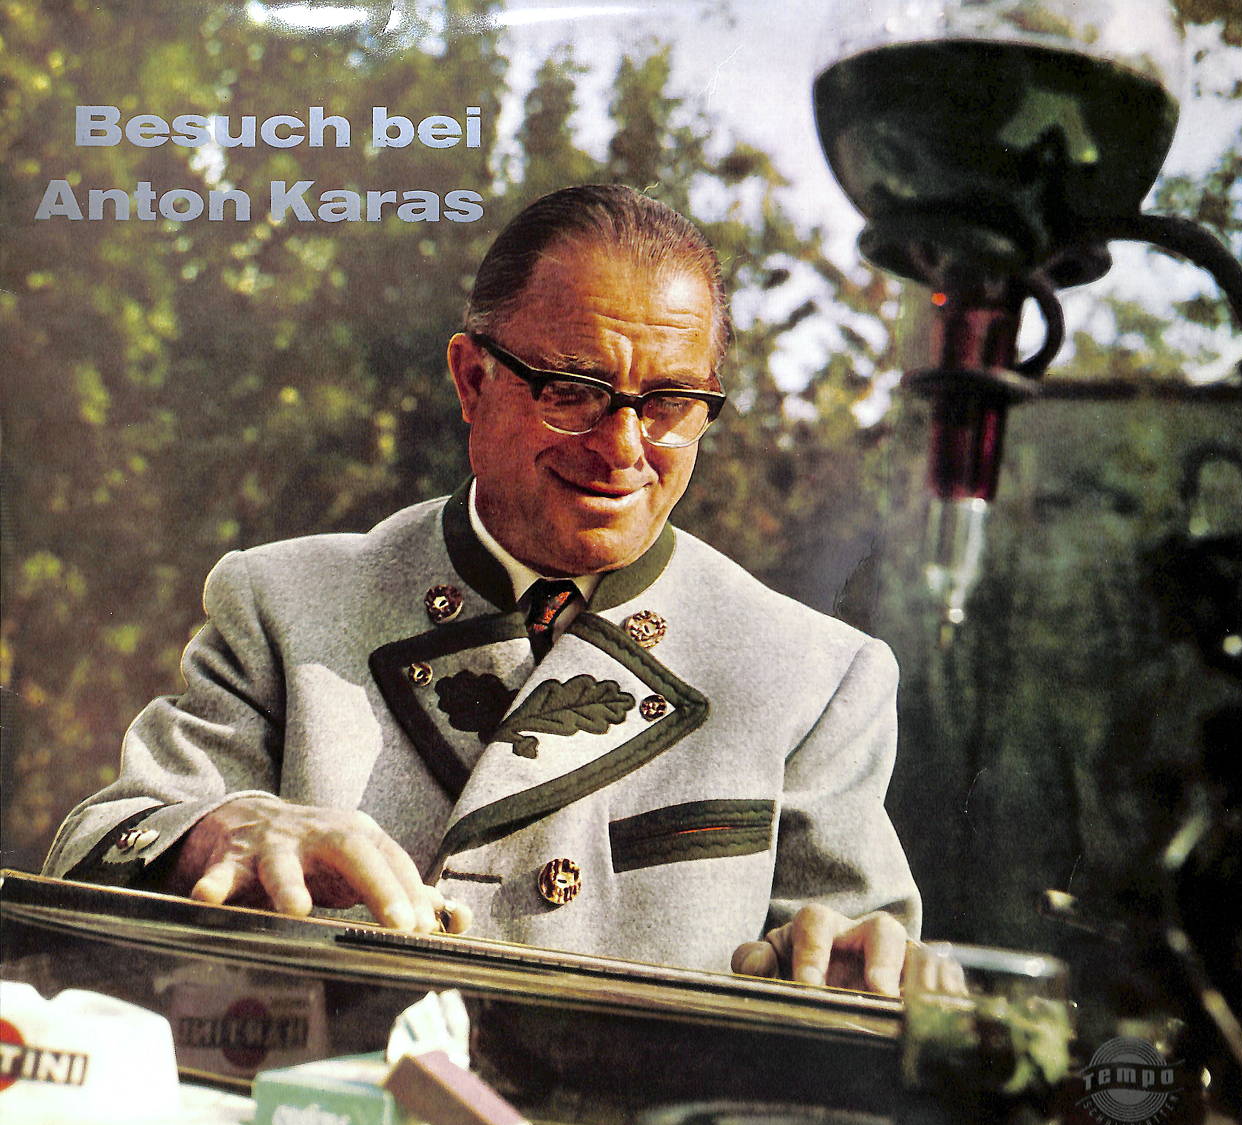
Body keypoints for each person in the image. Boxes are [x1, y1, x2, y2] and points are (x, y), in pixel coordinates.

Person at [44, 184, 921, 994]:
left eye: (669, 405)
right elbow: (92, 850)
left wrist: (849, 965)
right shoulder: (284, 606)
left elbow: (852, 963)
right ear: (472, 380)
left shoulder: (811, 678)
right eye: (573, 391)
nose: (623, 449)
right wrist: (221, 831)